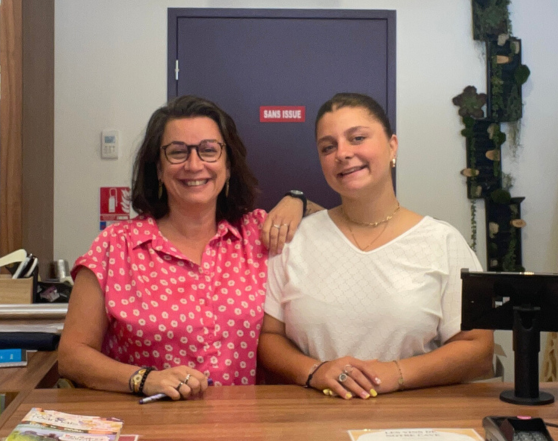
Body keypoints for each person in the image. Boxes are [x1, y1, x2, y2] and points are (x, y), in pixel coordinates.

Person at [58, 95, 316, 400]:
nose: (194, 165)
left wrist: (298, 200)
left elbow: (339, 224)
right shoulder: (116, 245)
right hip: (147, 418)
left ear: (228, 165)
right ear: (158, 168)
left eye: (209, 150)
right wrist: (145, 379)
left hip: (245, 419)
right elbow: (72, 355)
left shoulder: (258, 233)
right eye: (177, 152)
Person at [258, 93, 494, 400]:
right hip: (313, 417)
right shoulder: (295, 240)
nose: (342, 153)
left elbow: (478, 350)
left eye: (357, 138)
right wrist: (315, 371)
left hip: (414, 419)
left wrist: (395, 373)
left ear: (392, 145)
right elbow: (270, 337)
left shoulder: (442, 241)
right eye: (328, 147)